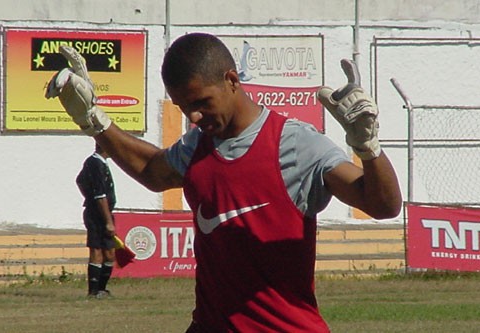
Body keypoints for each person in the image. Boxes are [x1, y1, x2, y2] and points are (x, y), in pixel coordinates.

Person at [46, 33, 402, 332]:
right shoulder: (197, 145)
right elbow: (153, 171)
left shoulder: (295, 143)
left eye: (201, 102)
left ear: (232, 80)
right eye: (185, 108)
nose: (195, 116)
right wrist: (95, 120)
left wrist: (368, 148)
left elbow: (383, 206)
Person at [75, 143, 117, 299]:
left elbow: (79, 180)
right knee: (97, 250)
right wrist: (107, 220)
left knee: (110, 251)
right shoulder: (94, 163)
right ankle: (93, 291)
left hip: (105, 213)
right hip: (97, 214)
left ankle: (102, 288)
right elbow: (100, 195)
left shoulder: (101, 163)